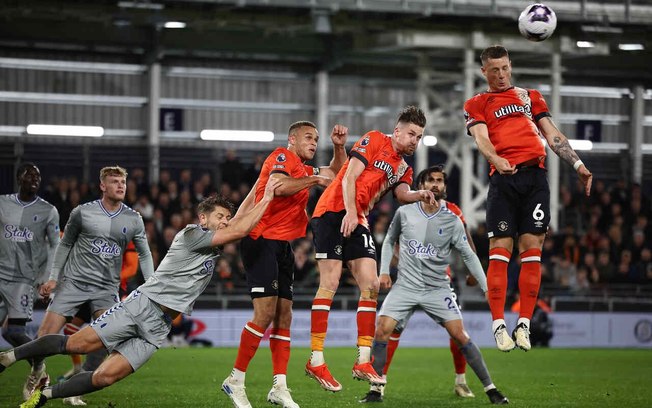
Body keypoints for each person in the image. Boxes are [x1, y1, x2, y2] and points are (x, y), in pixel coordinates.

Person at [0, 178, 281, 408]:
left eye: (228, 217)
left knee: (104, 378)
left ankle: (43, 396)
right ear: (203, 217)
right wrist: (267, 197)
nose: (225, 221)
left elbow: (240, 222)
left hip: (159, 327)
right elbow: (239, 229)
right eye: (220, 216)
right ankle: (8, 358)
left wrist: (260, 186)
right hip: (141, 305)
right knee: (76, 345)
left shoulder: (215, 242)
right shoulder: (192, 235)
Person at [464, 45, 593, 352]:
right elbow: (482, 138)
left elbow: (552, 135)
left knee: (532, 249)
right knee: (500, 250)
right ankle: (498, 326)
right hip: (503, 180)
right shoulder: (477, 103)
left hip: (535, 178)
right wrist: (496, 159)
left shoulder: (529, 96)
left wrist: (578, 165)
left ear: (511, 65)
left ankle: (524, 324)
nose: (501, 75)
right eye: (494, 70)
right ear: (484, 72)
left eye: (505, 68)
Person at [305, 106, 435, 392]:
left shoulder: (404, 167)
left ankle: (363, 359)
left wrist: (419, 194)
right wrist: (351, 212)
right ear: (397, 131)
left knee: (371, 284)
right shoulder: (375, 139)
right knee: (330, 282)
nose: (415, 140)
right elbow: (349, 176)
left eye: (420, 136)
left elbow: (401, 194)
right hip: (332, 210)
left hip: (358, 216)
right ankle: (316, 359)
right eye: (411, 134)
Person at [222, 121, 348, 408]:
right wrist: (314, 180)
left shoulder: (303, 169)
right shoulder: (282, 156)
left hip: (281, 245)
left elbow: (338, 171)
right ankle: (235, 379)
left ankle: (279, 386)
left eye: (316, 139)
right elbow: (278, 187)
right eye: (308, 137)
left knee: (284, 317)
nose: (314, 143)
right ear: (292, 139)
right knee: (264, 313)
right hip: (260, 238)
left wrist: (339, 147)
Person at [360, 166, 509, 405]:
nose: (435, 185)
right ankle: (376, 388)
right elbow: (389, 241)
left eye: (439, 181)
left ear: (445, 187)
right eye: (430, 180)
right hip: (406, 286)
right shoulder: (405, 212)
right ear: (420, 186)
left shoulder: (452, 218)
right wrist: (385, 271)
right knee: (383, 330)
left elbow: (469, 254)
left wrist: (485, 287)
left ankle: (489, 389)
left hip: (438, 287)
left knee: (460, 335)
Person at [27, 166, 155, 402]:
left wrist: (152, 286)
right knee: (44, 336)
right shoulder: (82, 213)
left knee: (107, 339)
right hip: (74, 283)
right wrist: (54, 277)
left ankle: (76, 387)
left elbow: (144, 254)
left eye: (123, 182)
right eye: (114, 181)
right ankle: (37, 371)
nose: (120, 186)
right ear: (102, 186)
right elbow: (64, 245)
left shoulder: (133, 218)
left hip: (106, 288)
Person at [0, 163, 60, 400]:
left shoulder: (48, 211)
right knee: (9, 334)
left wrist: (49, 278)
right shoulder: (3, 203)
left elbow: (56, 245)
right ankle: (39, 366)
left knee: (14, 332)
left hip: (23, 280)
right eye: (29, 175)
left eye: (38, 175)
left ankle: (39, 367)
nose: (34, 178)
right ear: (19, 178)